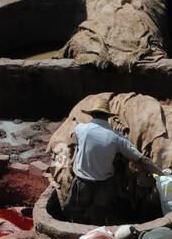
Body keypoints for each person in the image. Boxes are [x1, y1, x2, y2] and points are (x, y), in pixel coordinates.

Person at [64, 95, 157, 224]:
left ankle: (75, 229)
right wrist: (160, 172)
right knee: (99, 215)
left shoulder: (81, 129)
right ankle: (97, 234)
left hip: (82, 182)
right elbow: (138, 157)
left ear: (92, 115)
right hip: (104, 185)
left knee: (76, 210)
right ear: (107, 117)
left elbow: (78, 133)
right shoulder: (116, 137)